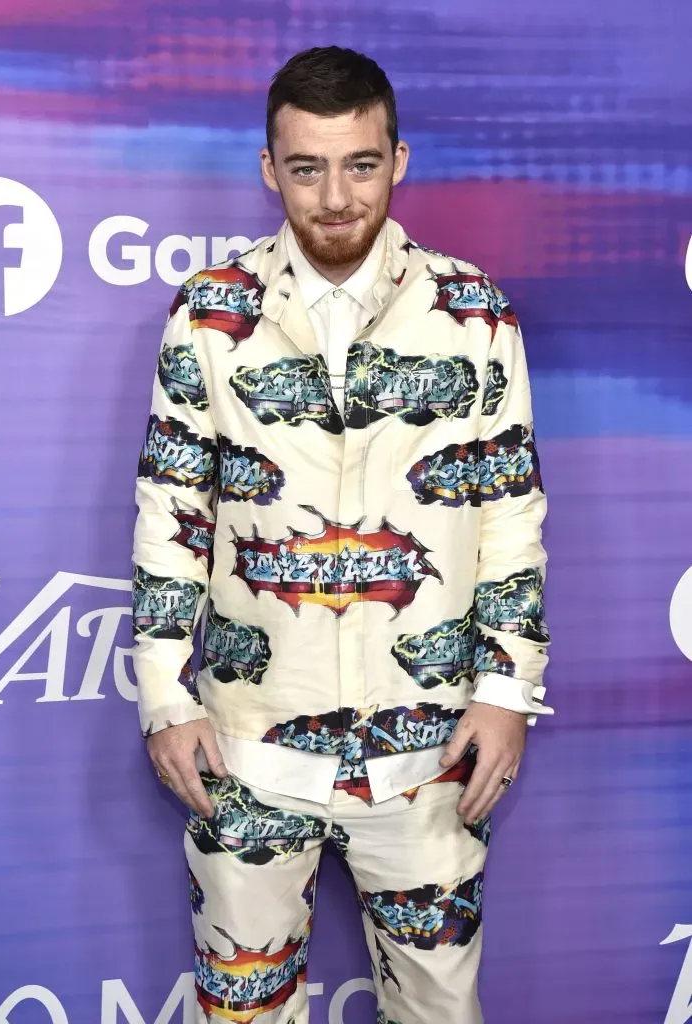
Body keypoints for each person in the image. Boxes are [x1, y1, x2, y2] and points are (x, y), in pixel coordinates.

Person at [132, 45, 553, 1024]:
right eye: (307, 166)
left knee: (440, 1011)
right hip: (247, 753)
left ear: (397, 160)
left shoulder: (474, 313)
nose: (335, 195)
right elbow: (172, 509)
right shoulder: (208, 314)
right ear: (269, 167)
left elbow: (507, 508)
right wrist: (163, 698)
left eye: (359, 164)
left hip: (428, 752)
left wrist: (504, 691)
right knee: (242, 1013)